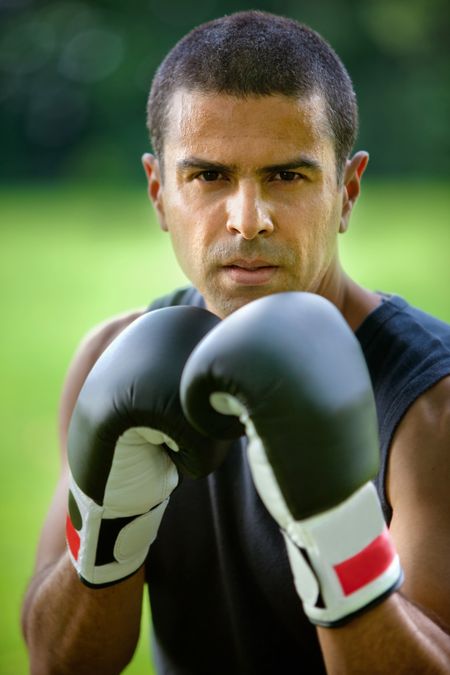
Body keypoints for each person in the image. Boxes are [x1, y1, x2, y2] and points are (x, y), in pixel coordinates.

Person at [21, 10, 450, 674]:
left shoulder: (430, 405)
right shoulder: (110, 362)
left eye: (287, 176)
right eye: (209, 176)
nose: (248, 220)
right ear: (160, 192)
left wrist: (338, 542)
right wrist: (106, 530)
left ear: (347, 189)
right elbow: (57, 661)